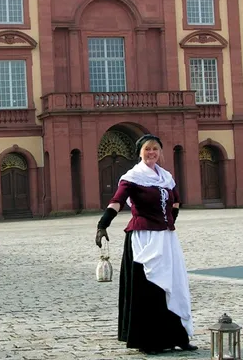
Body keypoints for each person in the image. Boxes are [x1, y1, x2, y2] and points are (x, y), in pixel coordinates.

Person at [95, 133, 197, 355]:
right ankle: (147, 340)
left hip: (166, 238)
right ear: (140, 153)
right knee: (148, 287)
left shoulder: (166, 177)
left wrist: (170, 220)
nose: (152, 153)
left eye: (156, 149)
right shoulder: (132, 177)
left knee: (173, 285)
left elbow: (176, 200)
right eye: (147, 149)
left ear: (160, 152)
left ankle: (177, 336)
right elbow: (116, 202)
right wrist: (102, 225)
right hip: (143, 238)